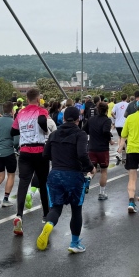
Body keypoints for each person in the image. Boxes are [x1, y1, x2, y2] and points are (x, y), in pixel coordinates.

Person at [36, 106, 94, 253]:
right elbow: (82, 154)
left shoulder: (54, 134)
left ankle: (49, 224)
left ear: (63, 118)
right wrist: (90, 167)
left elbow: (45, 155)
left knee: (55, 208)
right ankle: (74, 244)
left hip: (55, 175)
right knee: (76, 210)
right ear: (78, 119)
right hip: (74, 176)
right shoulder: (80, 134)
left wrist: (58, 159)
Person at [10, 88, 51, 235]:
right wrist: (44, 129)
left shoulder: (21, 113)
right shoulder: (41, 110)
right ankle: (46, 215)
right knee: (43, 183)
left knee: (23, 183)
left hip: (25, 151)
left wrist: (24, 129)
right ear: (38, 99)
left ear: (27, 99)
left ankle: (19, 215)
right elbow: (41, 120)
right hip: (39, 151)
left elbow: (13, 131)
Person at [83, 101, 114, 200]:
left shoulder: (91, 119)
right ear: (106, 110)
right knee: (104, 170)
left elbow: (84, 129)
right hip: (103, 149)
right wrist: (110, 140)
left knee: (92, 169)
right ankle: (101, 193)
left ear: (97, 109)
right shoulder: (107, 120)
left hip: (92, 147)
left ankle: (88, 178)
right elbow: (105, 131)